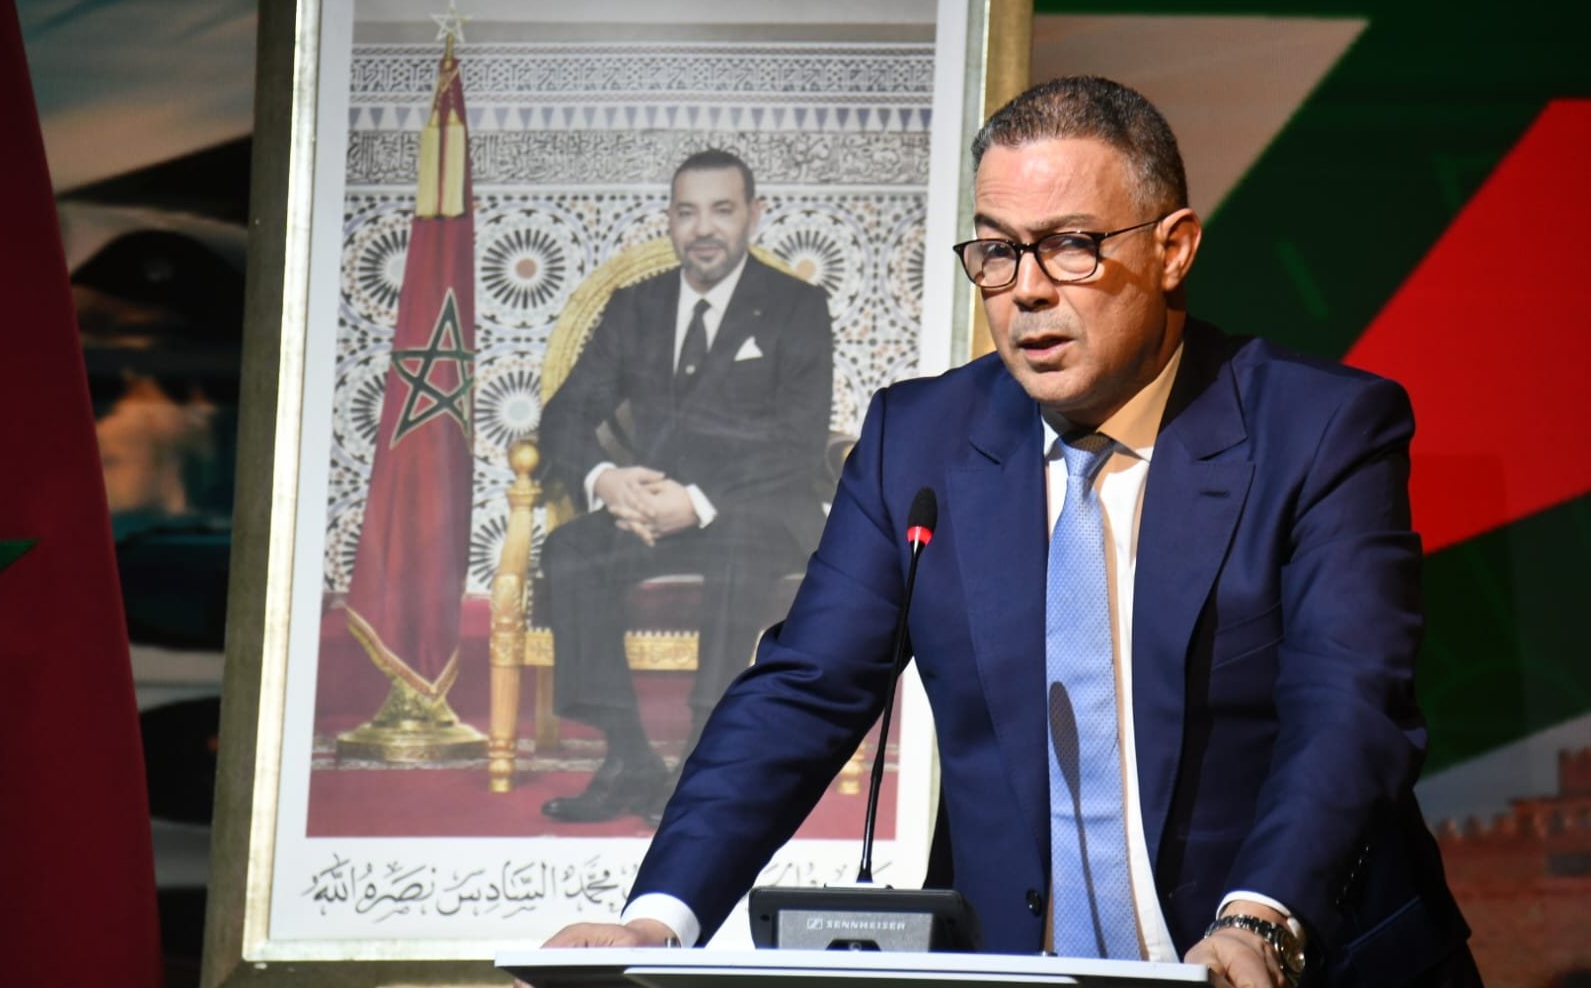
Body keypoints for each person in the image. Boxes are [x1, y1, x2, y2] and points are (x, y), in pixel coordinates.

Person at [544, 78, 1478, 987]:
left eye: (1070, 246)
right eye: (996, 251)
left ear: (1173, 249)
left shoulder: (1315, 429)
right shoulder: (917, 441)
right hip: (1019, 970)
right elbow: (804, 691)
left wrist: (1260, 918)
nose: (1025, 291)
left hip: (1284, 960)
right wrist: (655, 919)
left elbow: (1347, 704)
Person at [536, 148, 834, 826]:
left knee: (736, 545)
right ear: (669, 220)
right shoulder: (635, 307)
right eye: (687, 212)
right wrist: (609, 481)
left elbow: (798, 437)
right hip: (651, 511)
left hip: (758, 512)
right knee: (572, 550)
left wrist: (697, 503)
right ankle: (628, 755)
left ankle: (703, 755)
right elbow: (565, 414)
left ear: (753, 215)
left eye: (721, 210)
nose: (703, 229)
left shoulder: (796, 306)